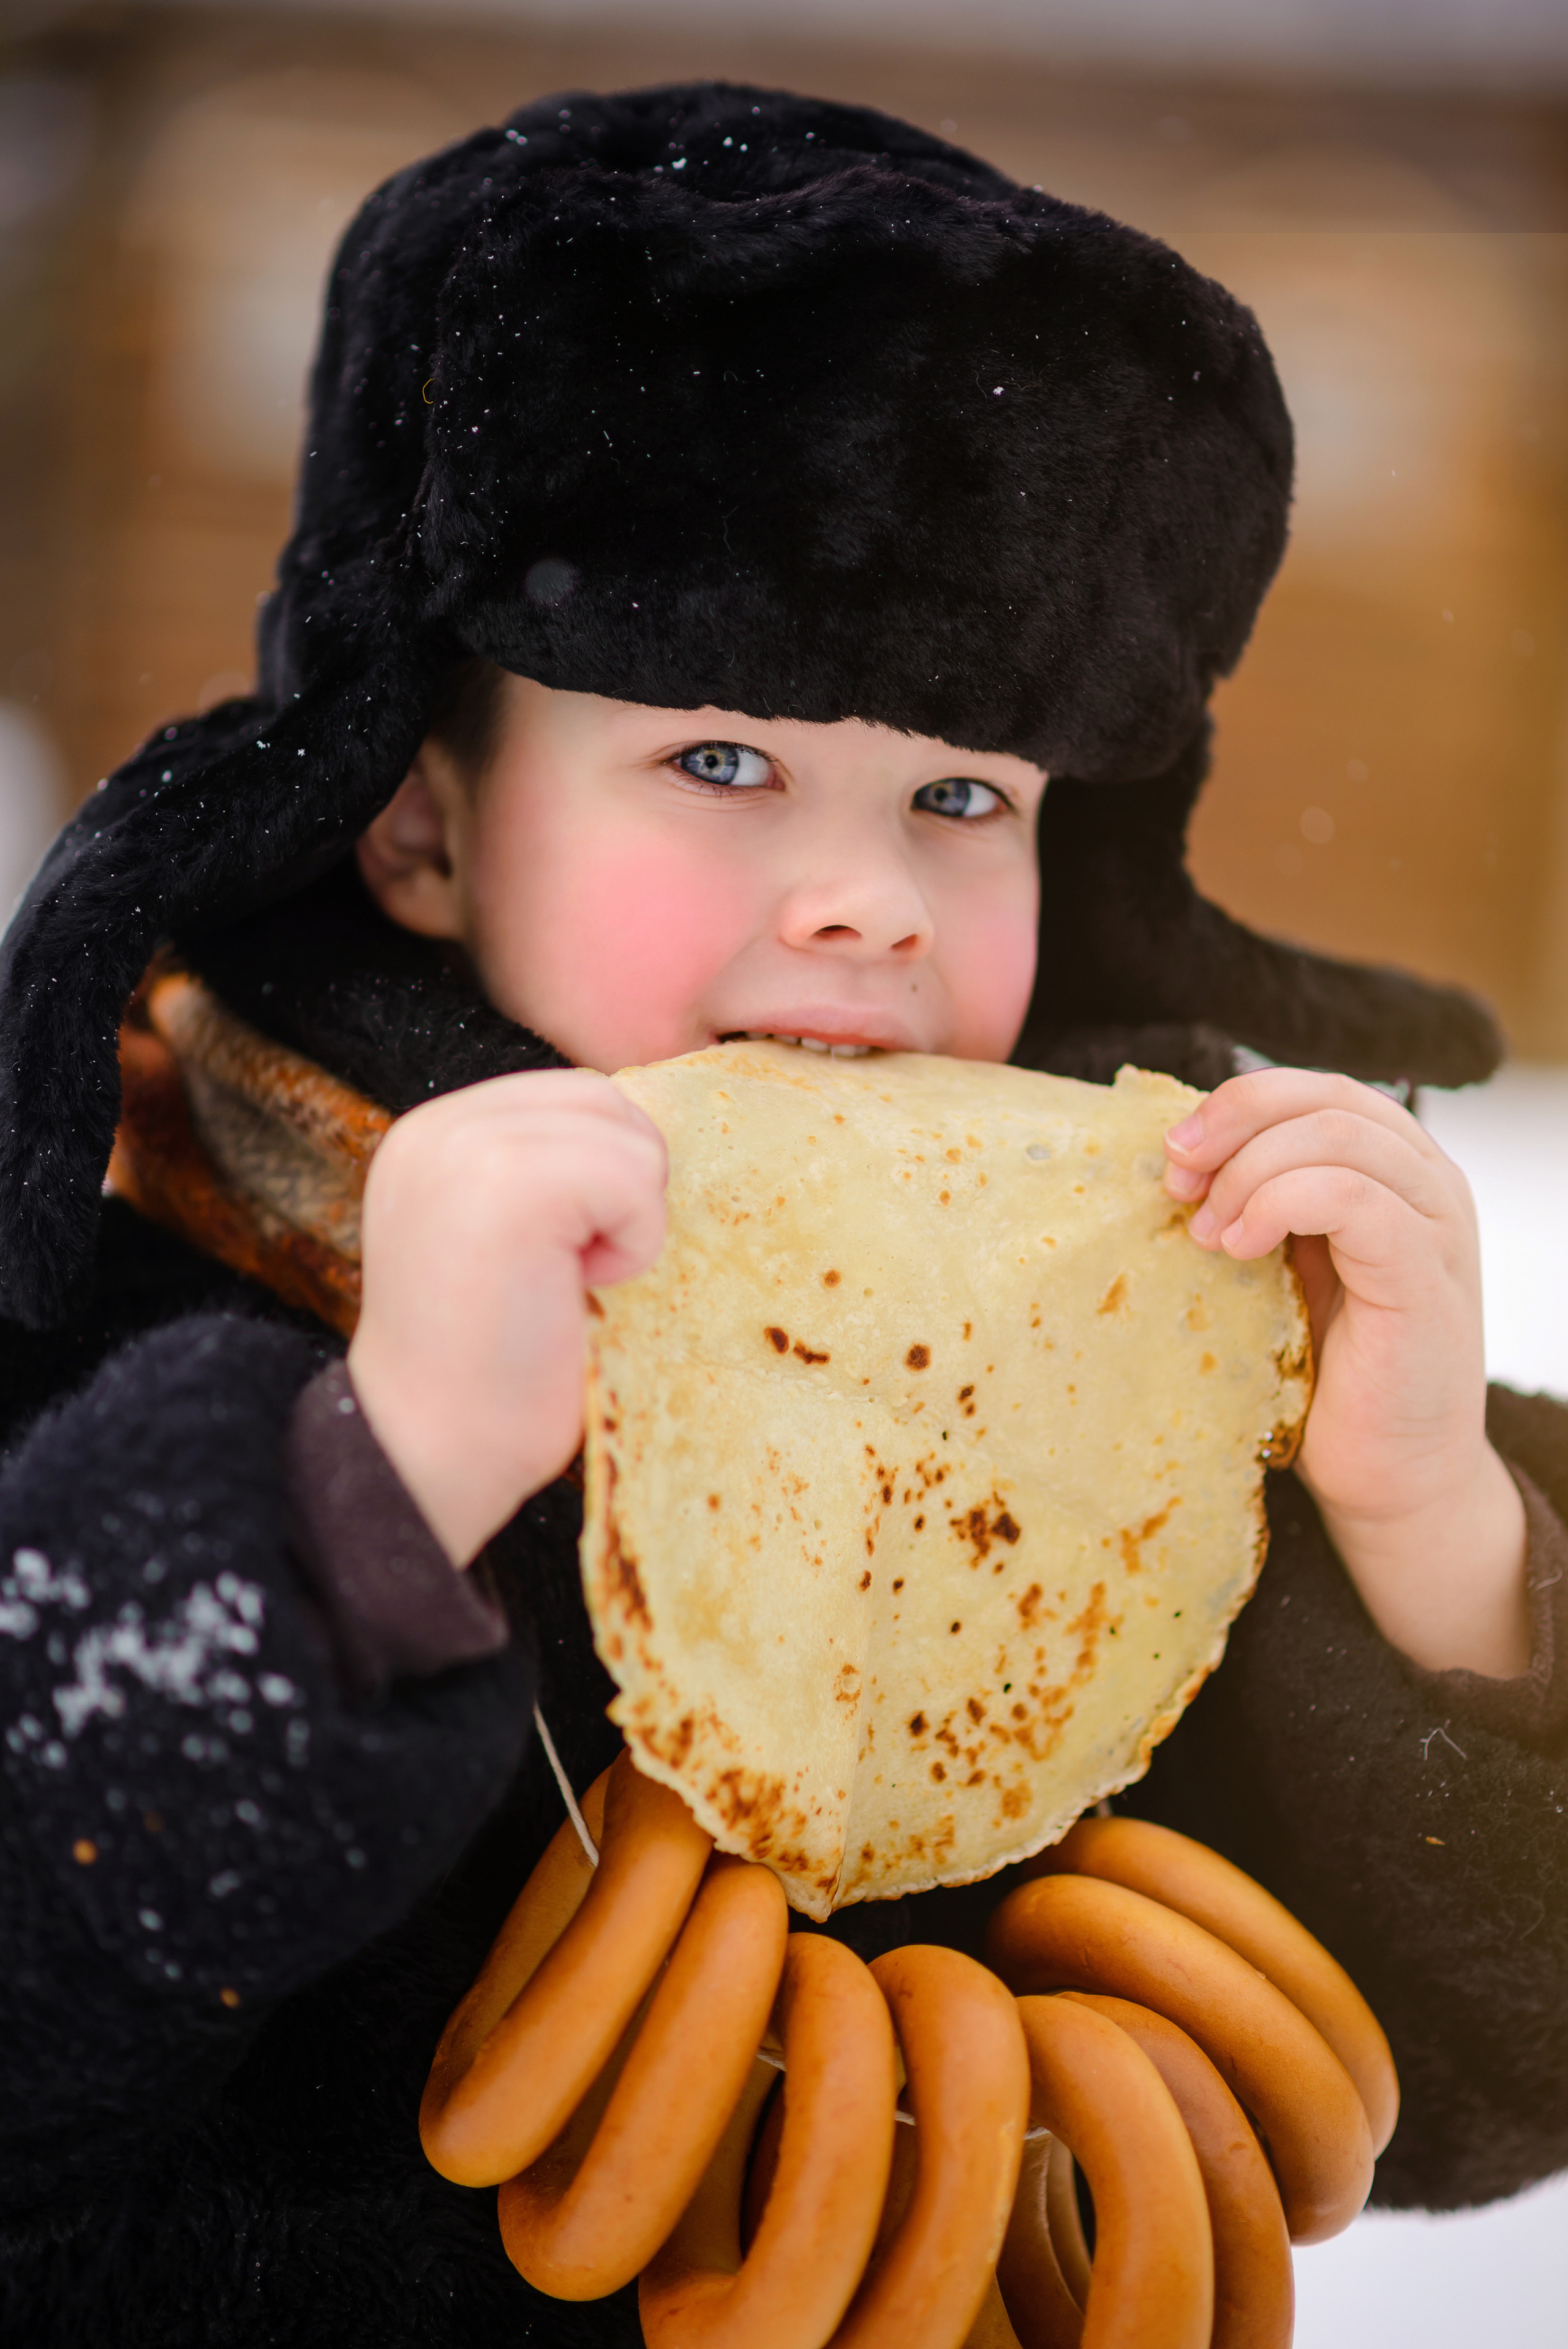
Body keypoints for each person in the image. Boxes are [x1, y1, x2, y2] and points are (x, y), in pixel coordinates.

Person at [1, 81, 1564, 2348]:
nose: (863, 900)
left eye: (960, 793)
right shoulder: (163, 1248)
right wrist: (350, 1494)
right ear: (422, 825)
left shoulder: (1114, 1381)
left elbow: (1481, 2085)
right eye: (719, 761)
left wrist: (1432, 1538)